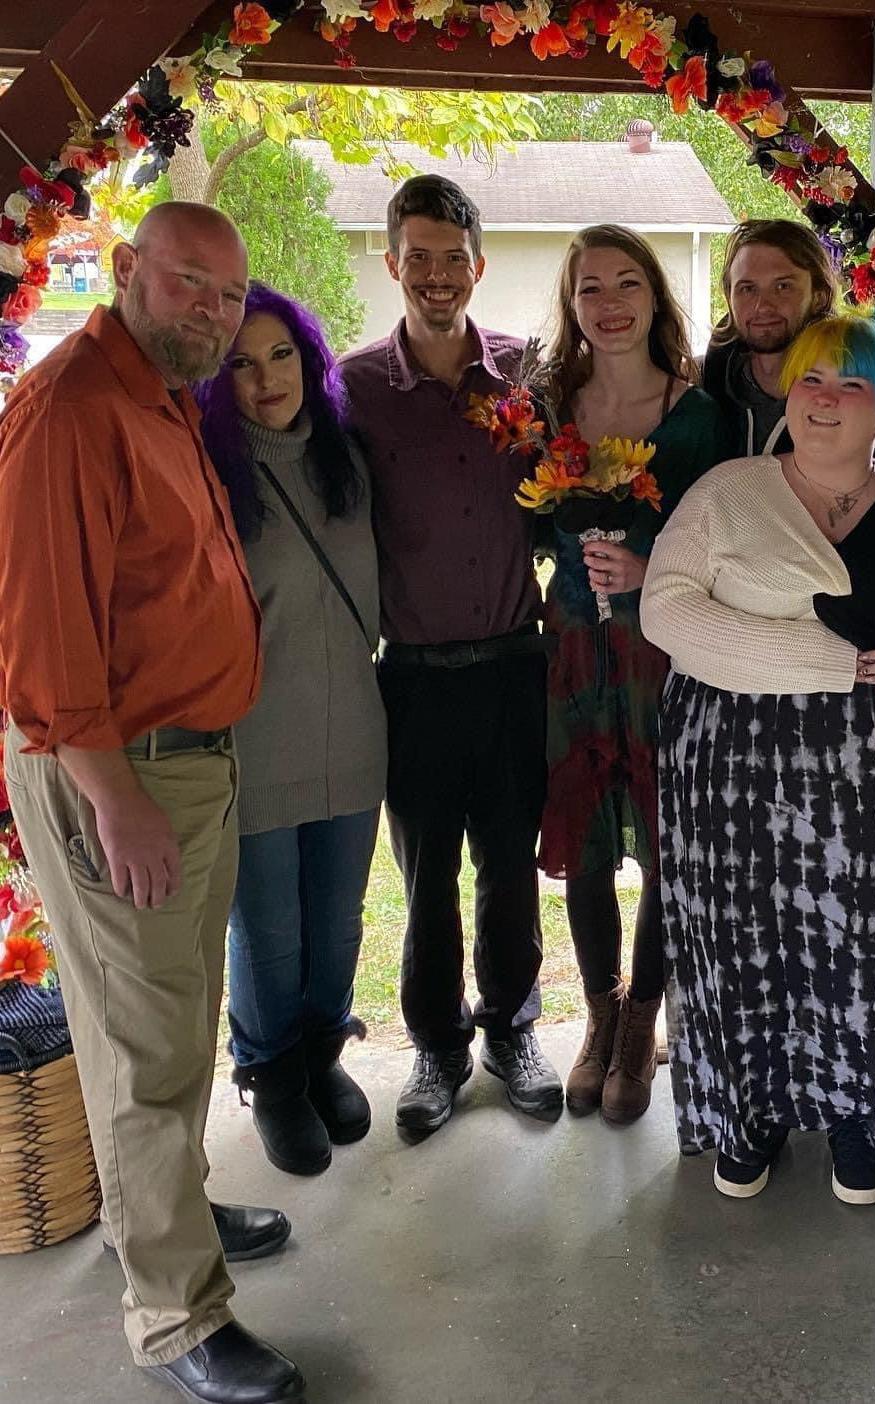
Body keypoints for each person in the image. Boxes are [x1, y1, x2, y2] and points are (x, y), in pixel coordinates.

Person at [0, 204, 303, 1402]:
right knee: (140, 1045)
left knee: (176, 1019)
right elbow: (37, 642)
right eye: (189, 284)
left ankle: (170, 1213)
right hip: (119, 773)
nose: (213, 314)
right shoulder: (70, 410)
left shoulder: (155, 397)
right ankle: (177, 1316)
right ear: (127, 270)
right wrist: (113, 796)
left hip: (185, 763)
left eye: (228, 297)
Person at [641, 303, 875, 1204]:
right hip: (728, 769)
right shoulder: (730, 491)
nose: (827, 399)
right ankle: (751, 1111)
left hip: (869, 771)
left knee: (868, 946)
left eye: (853, 383)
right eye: (812, 378)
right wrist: (823, 662)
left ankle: (862, 1118)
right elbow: (665, 609)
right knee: (740, 937)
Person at [339, 174, 562, 1134]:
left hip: (518, 666)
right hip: (417, 679)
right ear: (394, 262)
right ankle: (436, 1048)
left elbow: (580, 479)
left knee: (510, 862)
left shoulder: (528, 372)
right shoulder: (353, 387)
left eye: (453, 258)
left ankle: (512, 1026)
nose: (437, 275)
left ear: (480, 263)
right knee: (427, 875)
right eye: (418, 257)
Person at [537, 225, 727, 1123]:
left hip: (662, 651)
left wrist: (649, 564)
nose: (609, 305)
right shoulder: (546, 406)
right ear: (571, 307)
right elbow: (529, 525)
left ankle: (646, 1018)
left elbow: (726, 541)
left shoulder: (701, 413)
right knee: (583, 842)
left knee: (663, 842)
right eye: (589, 290)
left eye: (625, 285)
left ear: (654, 296)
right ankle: (601, 1020)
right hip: (575, 645)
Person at [196, 283, 386, 1177]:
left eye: (280, 355)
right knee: (268, 923)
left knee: (338, 917)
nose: (266, 378)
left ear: (309, 357)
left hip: (353, 721)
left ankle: (321, 1052)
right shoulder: (210, 472)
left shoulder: (348, 458)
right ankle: (271, 1071)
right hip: (258, 731)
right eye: (240, 362)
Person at [703, 218, 875, 503]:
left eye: (783, 287)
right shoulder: (720, 368)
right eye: (747, 288)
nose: (763, 305)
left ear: (819, 295)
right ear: (729, 298)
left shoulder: (849, 370)